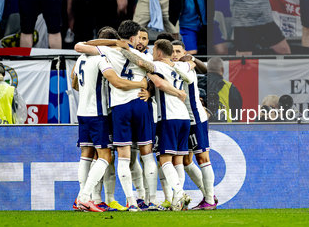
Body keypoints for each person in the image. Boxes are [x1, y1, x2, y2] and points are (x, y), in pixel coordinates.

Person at [74, 20, 186, 211]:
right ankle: (151, 200)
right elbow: (154, 76)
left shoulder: (108, 52)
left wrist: (110, 44)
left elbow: (79, 47)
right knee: (147, 154)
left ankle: (131, 202)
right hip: (141, 105)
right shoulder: (141, 55)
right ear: (133, 37)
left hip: (118, 107)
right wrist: (147, 88)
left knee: (123, 158)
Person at [71, 29, 148, 212]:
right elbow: (118, 82)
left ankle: (88, 198)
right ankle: (84, 197)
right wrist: (141, 84)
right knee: (106, 156)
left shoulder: (80, 58)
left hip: (82, 112)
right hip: (98, 113)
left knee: (86, 156)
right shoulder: (101, 59)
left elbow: (74, 84)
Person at [171, 41, 216, 210]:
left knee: (202, 158)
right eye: (172, 51)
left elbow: (205, 70)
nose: (175, 54)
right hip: (181, 119)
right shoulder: (171, 67)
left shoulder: (186, 66)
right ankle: (209, 194)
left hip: (195, 118)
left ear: (184, 52)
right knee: (186, 160)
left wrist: (192, 59)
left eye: (178, 51)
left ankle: (210, 200)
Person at [149, 39, 192, 211]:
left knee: (164, 159)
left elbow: (158, 83)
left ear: (159, 53)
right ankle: (177, 202)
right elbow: (189, 74)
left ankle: (180, 193)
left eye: (153, 51)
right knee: (178, 160)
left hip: (168, 117)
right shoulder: (179, 67)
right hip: (184, 117)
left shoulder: (157, 66)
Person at [206, 57, 242, 122]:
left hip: (201, 126)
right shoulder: (229, 87)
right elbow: (237, 113)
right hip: (224, 127)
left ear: (207, 68)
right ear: (222, 69)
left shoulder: (198, 84)